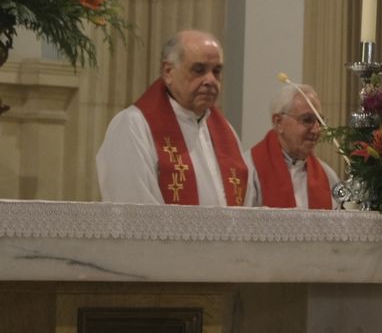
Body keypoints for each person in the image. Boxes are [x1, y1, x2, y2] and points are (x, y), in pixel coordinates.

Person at [96, 29, 251, 206]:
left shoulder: (225, 133)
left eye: (216, 71)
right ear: (168, 71)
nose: (210, 80)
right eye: (198, 70)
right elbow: (132, 208)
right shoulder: (133, 125)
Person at [246, 83, 337, 209]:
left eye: (319, 121)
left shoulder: (327, 176)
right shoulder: (249, 169)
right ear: (278, 122)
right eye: (307, 120)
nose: (316, 130)